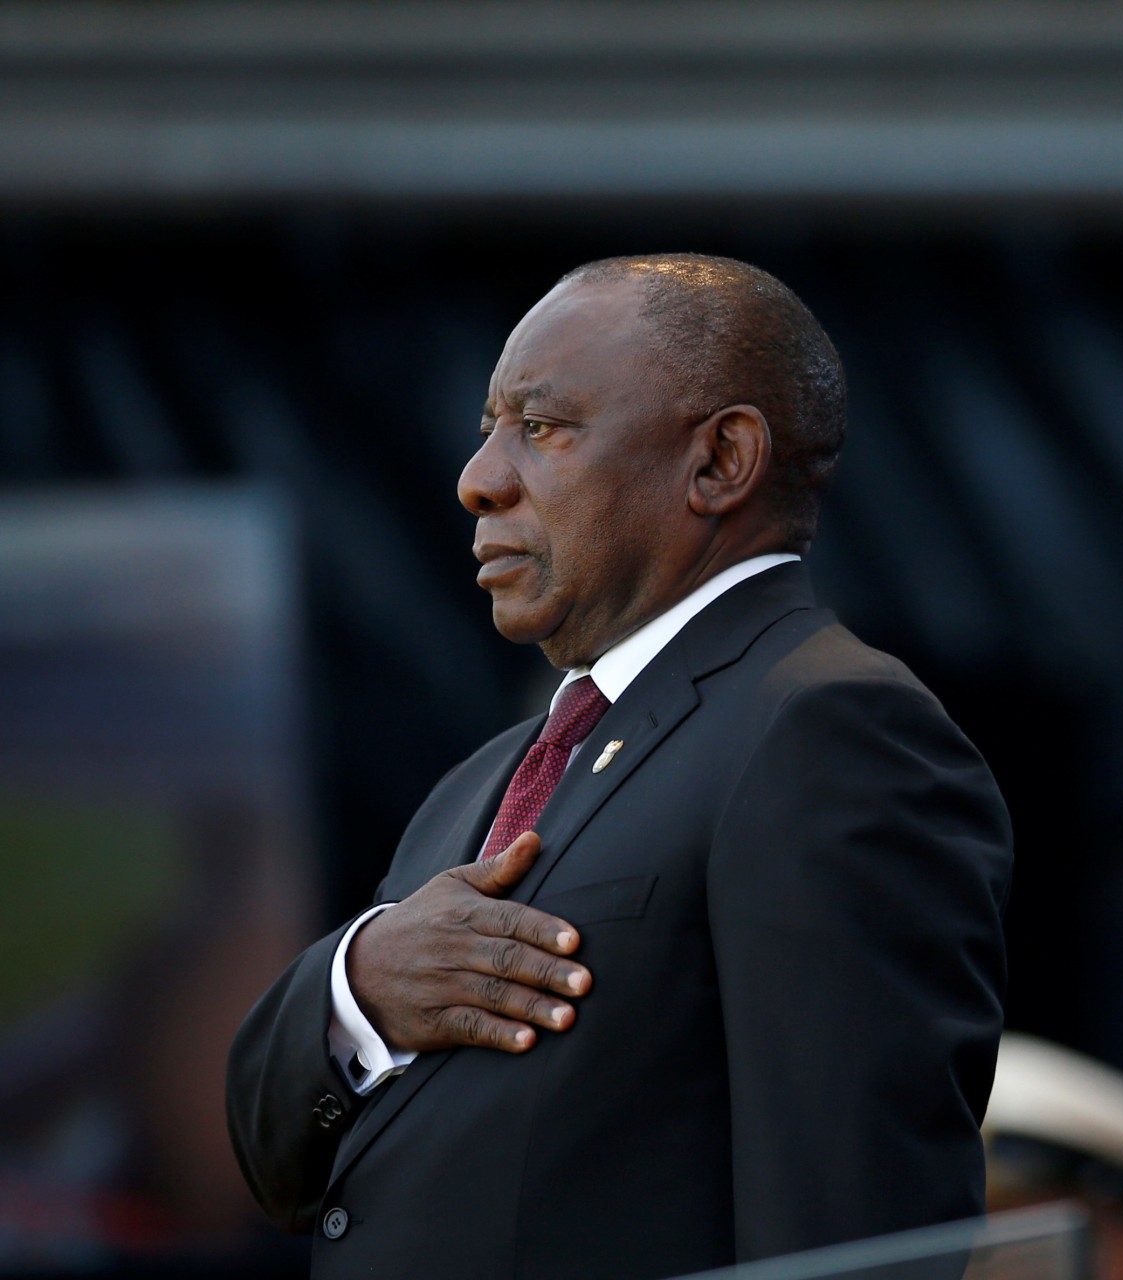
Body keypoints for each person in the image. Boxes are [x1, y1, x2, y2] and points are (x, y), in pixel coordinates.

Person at [225, 255, 1015, 1280]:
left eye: (541, 427)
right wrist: (361, 983)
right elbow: (270, 1162)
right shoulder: (478, 785)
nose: (480, 478)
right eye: (486, 429)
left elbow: (853, 1230)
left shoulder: (829, 728)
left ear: (721, 461)